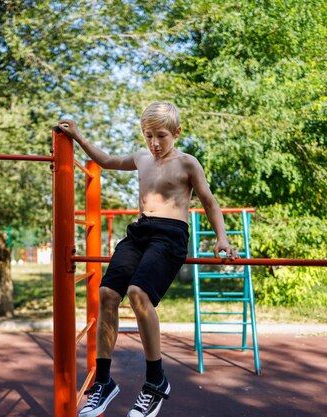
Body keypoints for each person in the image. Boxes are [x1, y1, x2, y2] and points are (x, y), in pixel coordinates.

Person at [57, 101, 239, 417]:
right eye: (148, 135)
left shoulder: (187, 164)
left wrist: (222, 238)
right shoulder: (142, 158)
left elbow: (209, 202)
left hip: (171, 235)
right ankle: (103, 382)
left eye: (161, 136)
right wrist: (79, 137)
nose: (154, 143)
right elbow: (107, 160)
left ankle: (156, 382)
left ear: (177, 133)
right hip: (140, 232)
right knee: (107, 294)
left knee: (138, 294)